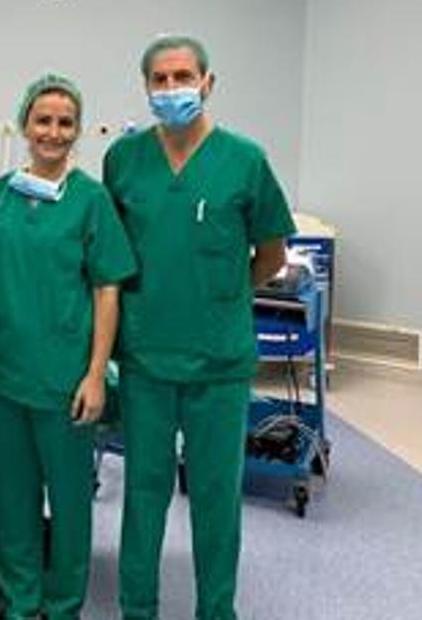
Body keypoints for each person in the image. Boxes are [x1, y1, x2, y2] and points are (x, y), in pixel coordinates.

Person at [103, 34, 295, 620]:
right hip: (146, 357)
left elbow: (271, 256)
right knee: (143, 493)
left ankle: (217, 609)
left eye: (182, 77)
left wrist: (221, 298)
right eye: (159, 80)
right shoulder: (124, 161)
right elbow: (110, 256)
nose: (171, 89)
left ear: (208, 83)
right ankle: (138, 608)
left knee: (215, 497)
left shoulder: (244, 160)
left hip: (219, 364)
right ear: (146, 88)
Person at [0, 73, 137, 620]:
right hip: (3, 375)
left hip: (65, 379)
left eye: (65, 122)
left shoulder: (90, 199)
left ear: (78, 131)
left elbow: (107, 287)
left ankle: (63, 604)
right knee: (13, 501)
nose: (53, 131)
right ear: (25, 124)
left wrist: (96, 373)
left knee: (69, 504)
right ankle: (20, 602)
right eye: (43, 120)